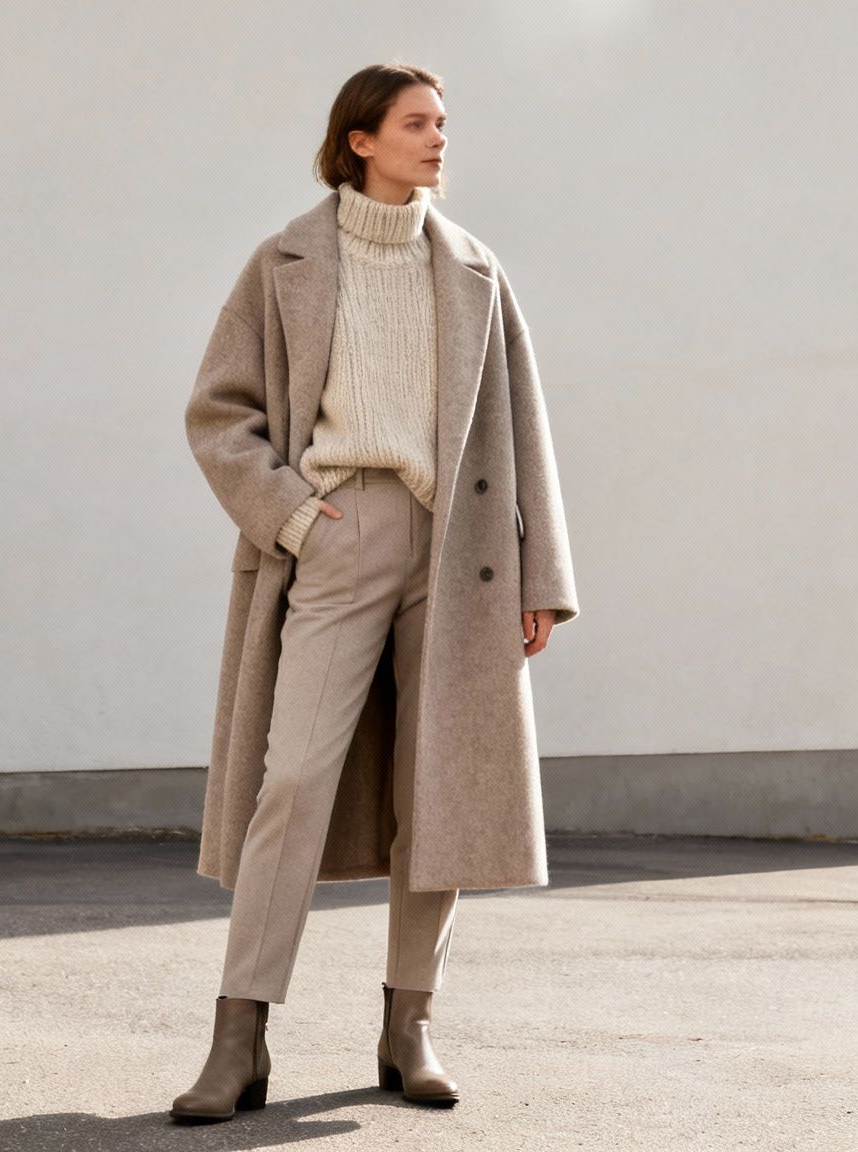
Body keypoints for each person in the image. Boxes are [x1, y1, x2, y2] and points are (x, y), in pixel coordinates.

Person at [171, 62, 578, 1124]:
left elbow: (522, 433)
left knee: (431, 789)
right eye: (415, 124)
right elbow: (219, 415)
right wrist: (295, 518)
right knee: (292, 779)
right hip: (339, 533)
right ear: (359, 138)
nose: (438, 140)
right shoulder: (286, 263)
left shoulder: (476, 269)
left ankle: (409, 1027)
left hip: (459, 554)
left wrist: (540, 577)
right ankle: (238, 1038)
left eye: (442, 123)